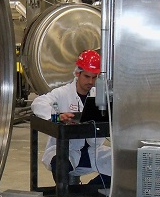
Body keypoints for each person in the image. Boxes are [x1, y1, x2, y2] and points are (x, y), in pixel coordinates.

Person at [31, 50, 111, 187]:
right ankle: (66, 194)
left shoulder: (99, 95)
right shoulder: (63, 93)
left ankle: (90, 191)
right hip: (68, 150)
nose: (90, 82)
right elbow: (37, 103)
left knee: (121, 163)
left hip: (93, 149)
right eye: (86, 76)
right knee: (60, 163)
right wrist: (56, 116)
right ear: (77, 73)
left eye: (94, 77)